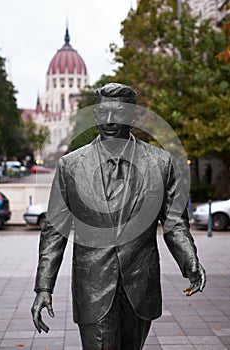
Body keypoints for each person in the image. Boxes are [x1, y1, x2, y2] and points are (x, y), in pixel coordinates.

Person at [31, 83, 206, 350]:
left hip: (140, 286)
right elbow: (54, 231)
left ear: (133, 117)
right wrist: (44, 287)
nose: (109, 120)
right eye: (103, 112)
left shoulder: (160, 163)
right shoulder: (71, 165)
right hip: (92, 285)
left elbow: (174, 223)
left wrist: (190, 261)